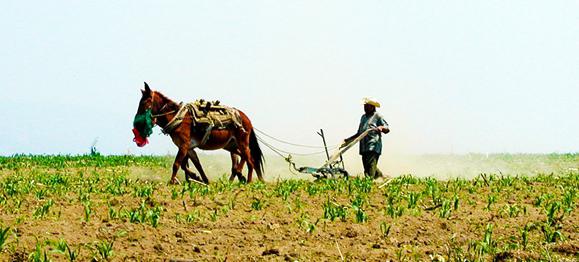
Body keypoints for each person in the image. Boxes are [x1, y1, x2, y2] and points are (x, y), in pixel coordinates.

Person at [342, 98, 390, 179]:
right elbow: (359, 133)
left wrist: (381, 128)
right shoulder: (363, 117)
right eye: (364, 106)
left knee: (370, 167)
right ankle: (381, 177)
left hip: (373, 145)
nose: (365, 108)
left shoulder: (377, 116)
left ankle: (369, 182)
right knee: (367, 166)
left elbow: (387, 128)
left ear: (372, 107)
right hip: (364, 146)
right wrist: (348, 139)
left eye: (367, 106)